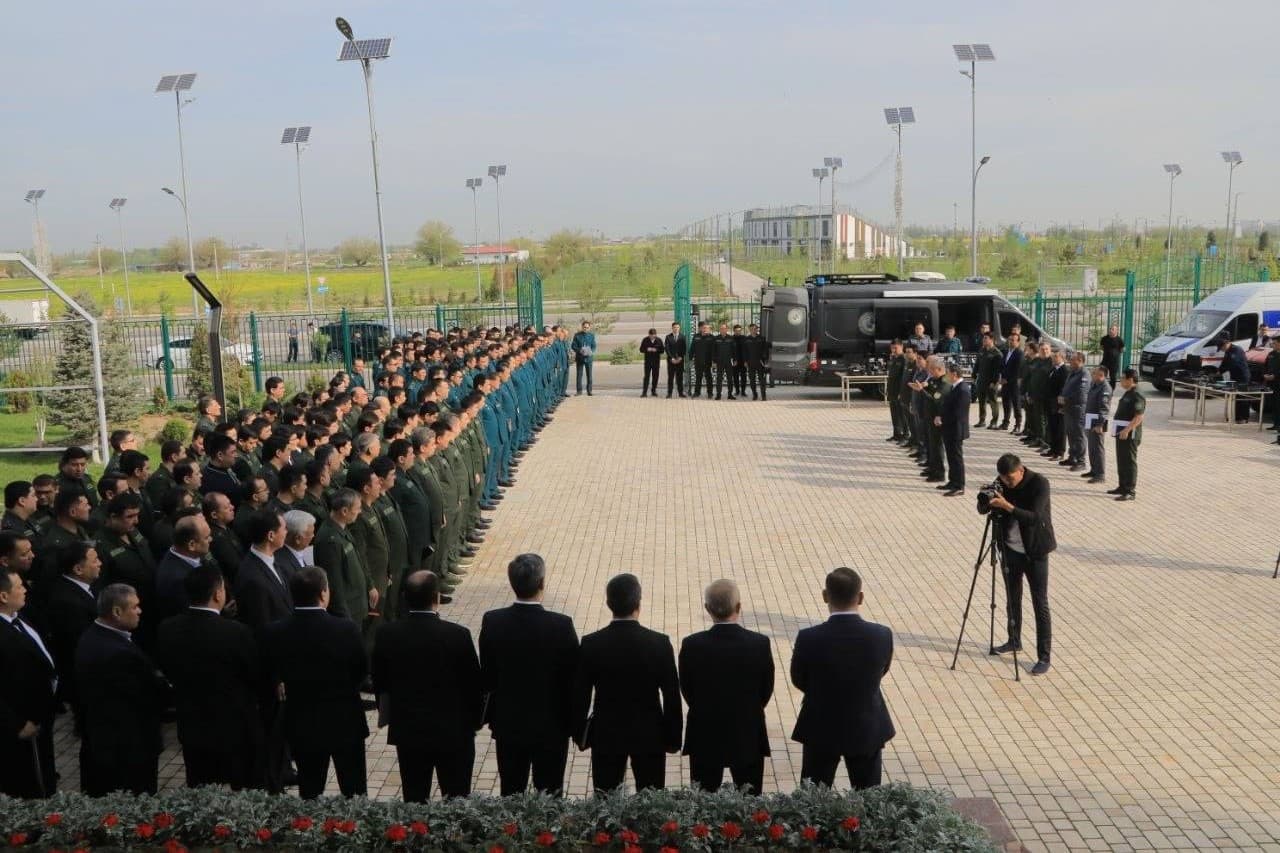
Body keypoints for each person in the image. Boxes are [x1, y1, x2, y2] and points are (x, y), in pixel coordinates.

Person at [372, 571, 482, 801]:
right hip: (454, 733)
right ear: (437, 597)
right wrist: (474, 723)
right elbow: (474, 685)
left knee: (414, 800)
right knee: (456, 801)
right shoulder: (458, 635)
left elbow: (380, 681)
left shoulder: (387, 635)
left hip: (409, 732)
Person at [262, 567, 369, 799]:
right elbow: (361, 671)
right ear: (323, 593)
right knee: (355, 792)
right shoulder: (346, 629)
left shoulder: (276, 632)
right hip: (345, 721)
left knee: (309, 792)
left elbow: (272, 669)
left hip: (302, 722)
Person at [478, 553, 579, 796]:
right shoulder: (561, 625)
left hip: (508, 724)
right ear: (542, 584)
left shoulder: (493, 621)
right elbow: (573, 679)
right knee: (551, 794)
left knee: (511, 793)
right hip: (552, 726)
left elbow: (487, 675)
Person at [156, 564, 263, 790]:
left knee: (200, 785)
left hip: (192, 722)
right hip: (234, 724)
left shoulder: (167, 629)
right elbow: (255, 674)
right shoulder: (236, 632)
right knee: (243, 786)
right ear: (217, 594)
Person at [572, 573, 681, 792]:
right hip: (650, 734)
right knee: (651, 801)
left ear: (608, 604)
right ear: (638, 603)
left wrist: (579, 734)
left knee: (605, 800)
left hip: (607, 733)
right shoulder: (659, 643)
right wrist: (672, 738)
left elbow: (580, 695)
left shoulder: (591, 644)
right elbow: (671, 695)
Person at [790, 567, 895, 789]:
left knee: (813, 800)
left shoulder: (808, 638)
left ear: (825, 596)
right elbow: (881, 670)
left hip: (820, 724)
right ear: (861, 597)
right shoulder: (881, 635)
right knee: (869, 798)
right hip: (866, 725)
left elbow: (799, 678)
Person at [678, 579, 773, 794]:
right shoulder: (759, 644)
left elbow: (687, 690)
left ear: (707, 609)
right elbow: (765, 690)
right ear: (739, 607)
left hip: (705, 734)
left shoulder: (692, 645)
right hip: (747, 733)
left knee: (703, 804)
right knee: (751, 805)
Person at [74, 583, 169, 795]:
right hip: (127, 751)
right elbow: (145, 697)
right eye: (134, 607)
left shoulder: (95, 635)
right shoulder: (116, 653)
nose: (139, 611)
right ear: (117, 612)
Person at [987, 453, 1056, 676]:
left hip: (1035, 552)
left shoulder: (1039, 483)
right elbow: (983, 509)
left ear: (1021, 470)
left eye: (1010, 479)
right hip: (1010, 550)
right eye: (1004, 479)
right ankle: (1013, 640)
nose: (1007, 483)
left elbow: (1035, 517)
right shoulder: (1002, 483)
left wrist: (1007, 505)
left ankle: (1044, 656)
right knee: (1012, 598)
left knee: (1040, 602)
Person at [0, 568, 57, 798]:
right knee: (27, 788)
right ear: (3, 596)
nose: (25, 590)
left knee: (44, 777)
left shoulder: (19, 617)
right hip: (20, 729)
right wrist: (17, 724)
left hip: (41, 720)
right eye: (19, 587)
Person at [42, 542, 100, 726]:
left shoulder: (81, 588)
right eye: (95, 560)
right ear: (78, 569)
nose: (100, 563)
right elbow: (80, 645)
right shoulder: (68, 602)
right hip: (85, 680)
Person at [232, 509, 293, 631]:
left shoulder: (275, 560)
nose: (287, 532)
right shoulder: (252, 577)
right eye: (284, 528)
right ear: (271, 535)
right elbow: (261, 625)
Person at [1111, 369, 1147, 502]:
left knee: (1129, 461)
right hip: (1121, 432)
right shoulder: (1129, 392)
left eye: (1123, 378)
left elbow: (1139, 417)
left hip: (1130, 434)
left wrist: (1127, 430)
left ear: (1130, 379)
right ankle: (1122, 486)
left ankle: (1130, 491)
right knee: (1121, 459)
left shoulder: (1137, 394)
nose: (1121, 381)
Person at [939, 362, 971, 497]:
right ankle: (952, 481)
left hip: (956, 429)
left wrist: (943, 419)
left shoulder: (962, 389)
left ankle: (959, 485)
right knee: (951, 456)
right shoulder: (954, 387)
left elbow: (958, 413)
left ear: (954, 374)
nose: (945, 375)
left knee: (956, 458)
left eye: (947, 373)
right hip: (950, 428)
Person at [921, 355, 950, 484]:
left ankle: (939, 473)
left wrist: (922, 391)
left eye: (932, 370)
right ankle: (932, 468)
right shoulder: (935, 380)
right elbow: (931, 391)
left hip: (937, 419)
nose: (930, 373)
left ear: (939, 369)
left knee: (937, 447)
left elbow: (935, 398)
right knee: (931, 445)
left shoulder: (944, 382)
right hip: (929, 417)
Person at [1060, 351, 1090, 472]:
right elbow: (1066, 387)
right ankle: (1072, 457)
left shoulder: (1084, 374)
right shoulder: (1072, 372)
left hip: (1078, 409)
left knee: (1079, 435)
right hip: (1068, 408)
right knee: (1070, 433)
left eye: (1073, 360)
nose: (1070, 362)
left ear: (1080, 361)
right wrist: (1062, 396)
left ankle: (1081, 461)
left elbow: (1081, 393)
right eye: (1071, 359)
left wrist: (1066, 398)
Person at [1082, 366, 1112, 485]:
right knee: (1092, 447)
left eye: (1094, 374)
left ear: (1101, 375)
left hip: (1098, 422)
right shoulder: (1095, 385)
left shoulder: (1105, 388)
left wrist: (1100, 424)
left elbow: (1104, 409)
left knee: (1098, 448)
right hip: (1090, 420)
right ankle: (1094, 470)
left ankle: (1100, 474)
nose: (1092, 375)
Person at [1216, 335, 1252, 424]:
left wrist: (1222, 371)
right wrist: (1218, 372)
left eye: (1221, 348)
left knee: (1242, 397)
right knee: (1236, 397)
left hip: (1243, 376)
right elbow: (1224, 363)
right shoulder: (1228, 351)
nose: (1222, 350)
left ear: (1226, 344)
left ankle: (1243, 418)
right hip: (1235, 376)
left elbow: (1232, 363)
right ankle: (1237, 417)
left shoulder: (1236, 350)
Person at [972, 333, 1003, 428]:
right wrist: (974, 375)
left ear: (991, 340)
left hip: (991, 381)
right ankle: (982, 420)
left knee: (993, 401)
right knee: (981, 401)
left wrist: (994, 382)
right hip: (981, 380)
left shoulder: (997, 353)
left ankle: (994, 421)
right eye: (983, 338)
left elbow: (997, 370)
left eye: (986, 338)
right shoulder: (982, 350)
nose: (983, 340)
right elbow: (977, 364)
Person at [997, 332, 1023, 431]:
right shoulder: (1005, 351)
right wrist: (1001, 377)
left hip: (1014, 383)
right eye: (1010, 340)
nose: (1011, 342)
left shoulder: (1019, 353)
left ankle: (1018, 424)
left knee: (1016, 404)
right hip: (1004, 383)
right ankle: (1005, 422)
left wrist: (1007, 379)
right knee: (1005, 403)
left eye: (1013, 340)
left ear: (1018, 342)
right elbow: (1002, 366)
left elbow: (1017, 370)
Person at [885, 341, 908, 442]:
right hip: (892, 391)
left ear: (901, 347)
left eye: (896, 348)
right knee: (894, 414)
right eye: (892, 348)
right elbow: (891, 376)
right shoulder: (894, 358)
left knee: (901, 414)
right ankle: (896, 434)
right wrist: (888, 390)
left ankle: (905, 434)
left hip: (899, 391)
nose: (894, 350)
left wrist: (901, 392)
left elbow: (903, 378)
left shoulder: (904, 359)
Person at [743, 323, 770, 401]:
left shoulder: (761, 338)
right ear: (749, 330)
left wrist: (765, 360)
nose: (753, 330)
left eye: (755, 329)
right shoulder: (746, 339)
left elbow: (766, 350)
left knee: (762, 380)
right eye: (752, 329)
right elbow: (744, 351)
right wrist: (745, 361)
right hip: (750, 362)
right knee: (752, 380)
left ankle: (763, 395)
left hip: (760, 362)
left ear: (757, 329)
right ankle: (755, 394)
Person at [712, 322, 737, 400]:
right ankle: (718, 394)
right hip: (719, 362)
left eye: (724, 328)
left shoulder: (731, 338)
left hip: (728, 361)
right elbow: (713, 351)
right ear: (720, 329)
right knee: (719, 379)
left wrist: (735, 359)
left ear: (727, 329)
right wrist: (714, 361)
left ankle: (730, 394)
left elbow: (734, 350)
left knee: (730, 378)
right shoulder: (716, 339)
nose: (723, 330)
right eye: (721, 328)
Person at [570, 321, 596, 396]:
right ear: (582, 327)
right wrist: (579, 350)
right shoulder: (577, 335)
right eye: (584, 327)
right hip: (580, 357)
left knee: (589, 375)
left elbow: (594, 345)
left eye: (587, 327)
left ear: (589, 328)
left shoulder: (591, 335)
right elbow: (573, 346)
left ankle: (589, 390)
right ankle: (579, 391)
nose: (586, 329)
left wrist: (591, 351)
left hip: (589, 358)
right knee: (579, 375)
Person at [690, 321, 715, 399]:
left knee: (709, 378)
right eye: (703, 328)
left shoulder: (711, 337)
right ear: (700, 328)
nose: (705, 329)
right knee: (698, 377)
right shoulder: (696, 336)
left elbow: (714, 350)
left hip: (708, 361)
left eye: (706, 328)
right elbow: (692, 348)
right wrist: (690, 358)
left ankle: (710, 393)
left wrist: (714, 361)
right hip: (698, 361)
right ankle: (697, 392)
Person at [663, 322, 687, 398]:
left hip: (680, 360)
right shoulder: (668, 337)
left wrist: (680, 357)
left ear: (679, 328)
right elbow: (667, 349)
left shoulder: (682, 337)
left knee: (679, 377)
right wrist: (671, 358)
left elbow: (684, 348)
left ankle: (680, 393)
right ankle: (669, 393)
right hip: (671, 361)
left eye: (677, 327)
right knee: (671, 377)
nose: (676, 329)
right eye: (674, 327)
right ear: (672, 328)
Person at [639, 328, 664, 398]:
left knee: (655, 376)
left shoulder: (659, 340)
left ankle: (653, 391)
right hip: (648, 362)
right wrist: (647, 349)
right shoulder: (645, 340)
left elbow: (662, 350)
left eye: (654, 335)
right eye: (651, 335)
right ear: (649, 334)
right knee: (646, 377)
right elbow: (641, 349)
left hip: (656, 362)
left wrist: (656, 350)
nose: (653, 336)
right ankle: (644, 392)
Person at [1099, 325, 1125, 390]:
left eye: (1113, 329)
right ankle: (1101, 388)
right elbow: (1101, 347)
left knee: (1113, 377)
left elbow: (1122, 349)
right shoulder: (1104, 338)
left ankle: (1111, 390)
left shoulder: (1119, 339)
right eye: (1110, 329)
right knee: (1101, 374)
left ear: (1116, 331)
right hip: (1105, 360)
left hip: (1114, 362)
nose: (1111, 330)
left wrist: (1116, 353)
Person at [1264, 337, 1280, 441]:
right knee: (1273, 404)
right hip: (1272, 383)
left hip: (1278, 382)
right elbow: (1265, 365)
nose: (1272, 345)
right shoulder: (1271, 354)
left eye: (1274, 343)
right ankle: (1275, 424)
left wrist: (1275, 376)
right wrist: (1265, 374)